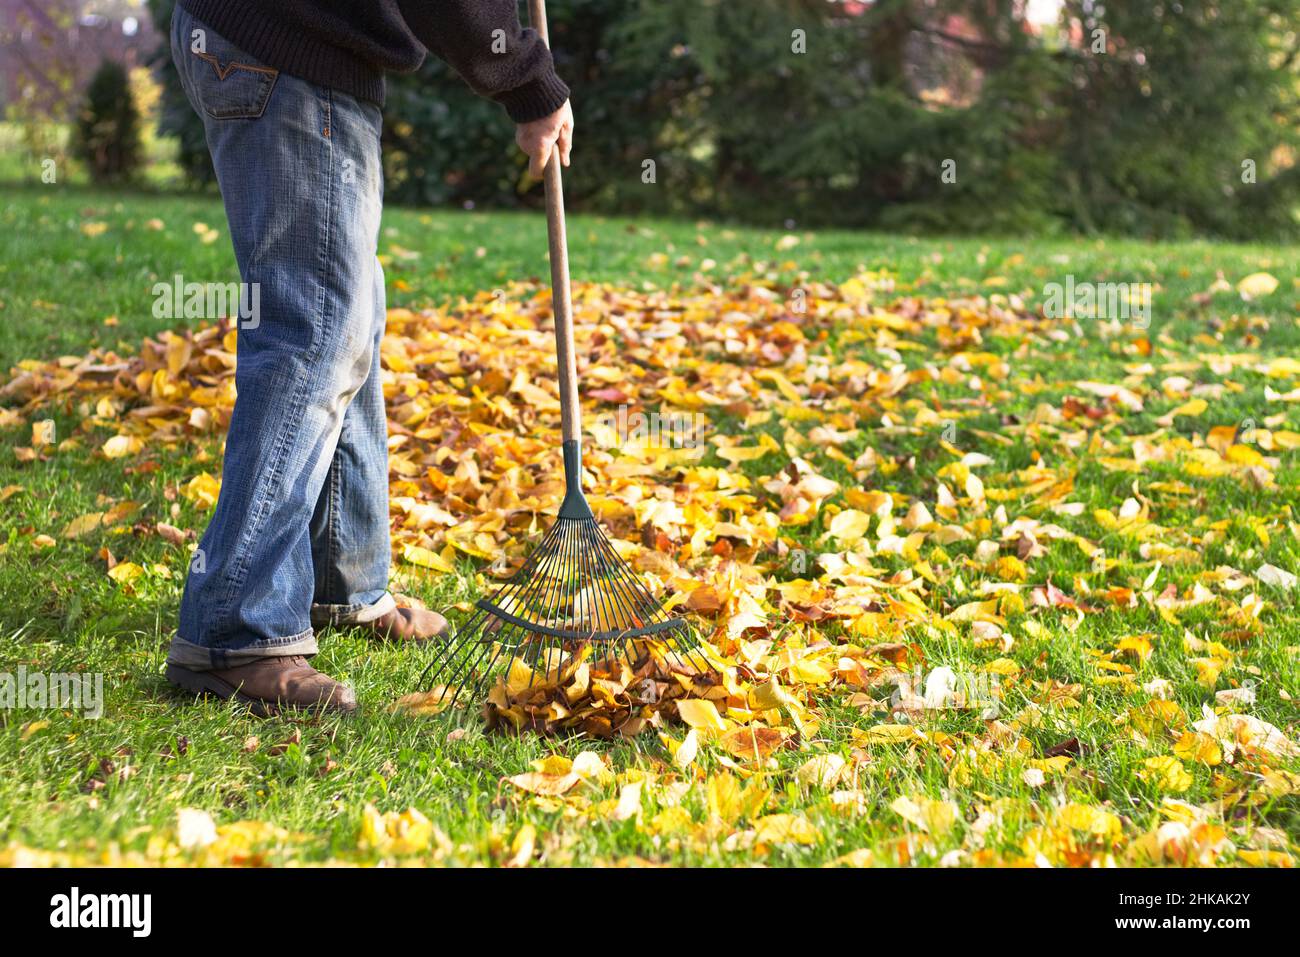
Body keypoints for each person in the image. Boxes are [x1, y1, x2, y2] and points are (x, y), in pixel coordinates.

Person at [163, 0, 573, 715]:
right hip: (288, 46)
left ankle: (339, 581)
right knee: (313, 329)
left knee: (343, 319)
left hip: (283, 42)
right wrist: (526, 80)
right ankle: (235, 628)